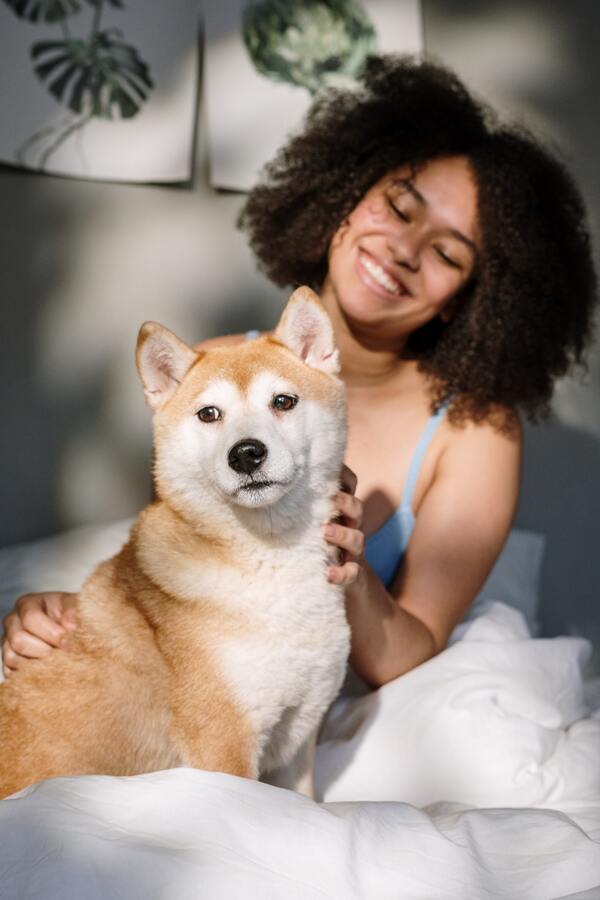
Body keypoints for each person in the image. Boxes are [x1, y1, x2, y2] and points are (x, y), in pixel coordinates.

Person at [2, 56, 596, 690]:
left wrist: (349, 566)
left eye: (448, 253)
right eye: (398, 207)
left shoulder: (478, 431)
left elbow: (405, 655)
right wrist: (69, 617)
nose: (404, 249)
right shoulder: (207, 369)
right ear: (348, 194)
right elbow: (172, 585)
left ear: (465, 298)